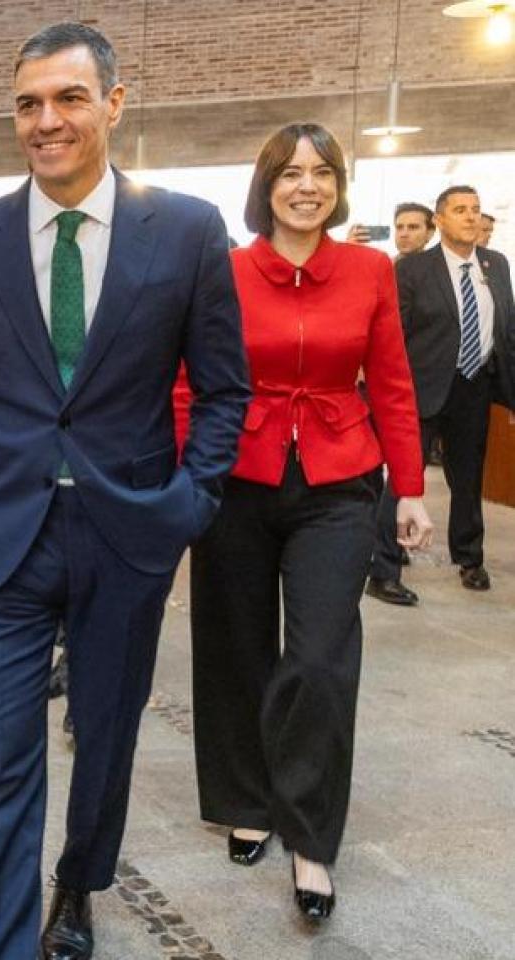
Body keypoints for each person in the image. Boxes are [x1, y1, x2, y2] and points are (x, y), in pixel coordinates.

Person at [0, 22, 249, 960]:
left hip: (128, 529)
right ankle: (6, 942)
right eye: (28, 103)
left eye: (67, 98)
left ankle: (78, 883)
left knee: (105, 737)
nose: (46, 121)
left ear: (113, 102)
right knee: (3, 758)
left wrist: (189, 503)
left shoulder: (183, 229)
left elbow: (224, 388)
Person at [184, 123, 433, 925]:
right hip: (238, 477)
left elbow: (392, 382)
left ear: (337, 186)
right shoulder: (223, 271)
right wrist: (187, 472)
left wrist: (410, 486)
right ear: (266, 185)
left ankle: (310, 832)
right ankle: (245, 799)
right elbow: (189, 379)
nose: (306, 185)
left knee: (321, 657)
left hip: (338, 479)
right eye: (290, 172)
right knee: (235, 646)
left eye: (322, 172)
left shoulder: (368, 270)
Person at [368, 184, 512, 603]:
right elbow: (393, 335)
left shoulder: (496, 264)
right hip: (421, 388)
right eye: (460, 210)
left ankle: (470, 559)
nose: (471, 217)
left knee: (468, 479)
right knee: (404, 478)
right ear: (440, 220)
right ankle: (384, 569)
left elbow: (507, 331)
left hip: (475, 386)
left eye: (476, 209)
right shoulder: (413, 270)